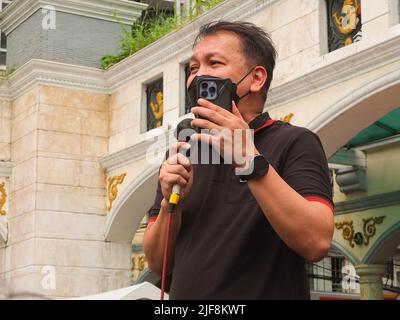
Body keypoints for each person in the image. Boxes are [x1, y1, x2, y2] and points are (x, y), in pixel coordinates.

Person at [143, 21, 334, 299]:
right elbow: (157, 263)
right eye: (193, 68)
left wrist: (248, 159)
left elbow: (316, 241)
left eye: (215, 63)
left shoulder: (295, 142)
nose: (199, 77)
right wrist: (170, 204)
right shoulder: (185, 150)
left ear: (256, 78)